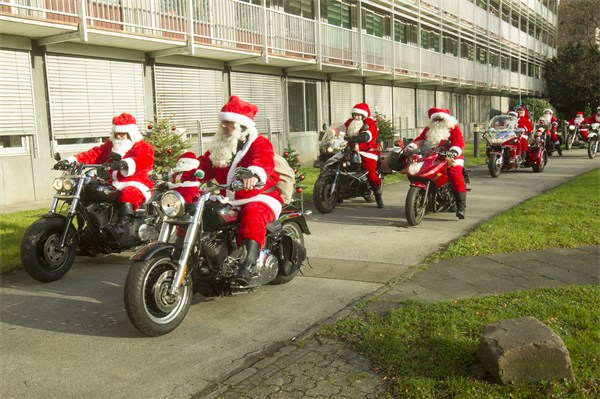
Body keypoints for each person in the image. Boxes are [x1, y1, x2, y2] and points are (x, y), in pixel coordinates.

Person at [196, 95, 283, 285]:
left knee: (253, 215)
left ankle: (249, 263)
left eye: (229, 122)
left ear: (242, 126)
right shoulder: (221, 145)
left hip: (258, 195)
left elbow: (262, 161)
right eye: (223, 122)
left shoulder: (259, 143)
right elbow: (205, 165)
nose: (224, 126)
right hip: (229, 197)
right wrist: (187, 171)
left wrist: (253, 175)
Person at [61, 112, 155, 241]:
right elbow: (95, 153)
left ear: (130, 133)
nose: (120, 136)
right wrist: (71, 161)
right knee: (91, 193)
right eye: (117, 133)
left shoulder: (141, 146)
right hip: (114, 182)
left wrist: (124, 164)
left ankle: (120, 229)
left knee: (129, 194)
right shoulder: (111, 145)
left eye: (123, 133)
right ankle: (92, 229)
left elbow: (145, 159)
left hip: (136, 181)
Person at [405, 107, 467, 219]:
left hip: (450, 157)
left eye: (440, 119)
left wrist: (454, 150)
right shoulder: (429, 129)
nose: (437, 122)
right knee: (417, 170)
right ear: (432, 120)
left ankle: (461, 206)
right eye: (435, 120)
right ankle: (425, 196)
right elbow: (420, 139)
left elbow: (459, 141)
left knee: (454, 174)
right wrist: (412, 146)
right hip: (430, 155)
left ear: (446, 120)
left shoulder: (453, 128)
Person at [344, 102, 383, 208]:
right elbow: (341, 129)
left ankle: (378, 195)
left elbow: (370, 134)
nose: (356, 117)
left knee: (371, 173)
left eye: (359, 115)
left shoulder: (370, 122)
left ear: (363, 115)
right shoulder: (349, 122)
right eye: (355, 115)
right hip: (350, 150)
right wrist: (333, 132)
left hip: (367, 151)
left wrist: (362, 137)